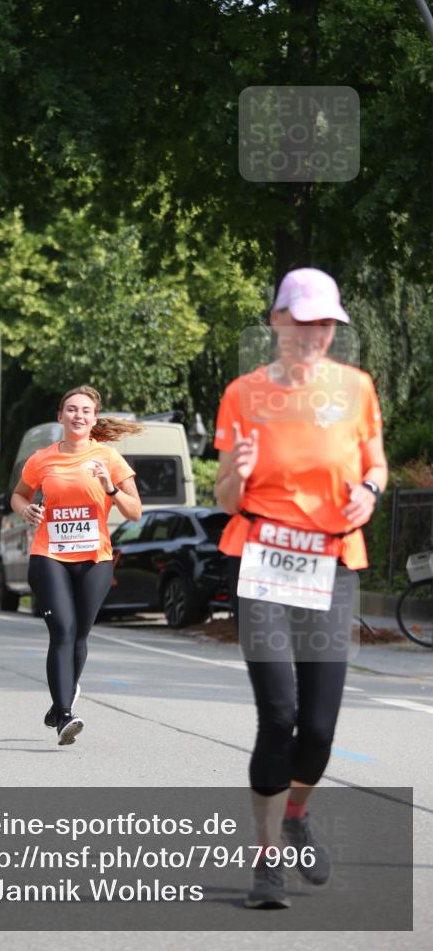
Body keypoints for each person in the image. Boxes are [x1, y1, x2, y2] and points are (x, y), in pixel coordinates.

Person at [214, 268, 387, 908]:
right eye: (302, 320)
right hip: (262, 557)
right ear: (278, 320)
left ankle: (294, 813)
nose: (313, 334)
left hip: (333, 561)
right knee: (279, 713)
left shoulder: (356, 388)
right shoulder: (243, 393)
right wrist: (236, 473)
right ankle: (265, 865)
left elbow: (374, 459)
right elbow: (225, 496)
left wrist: (369, 491)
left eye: (325, 324)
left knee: (317, 727)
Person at [11, 386, 142, 745]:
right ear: (60, 417)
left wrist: (110, 488)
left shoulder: (110, 458)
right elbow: (18, 495)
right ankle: (65, 715)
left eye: (85, 410)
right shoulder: (41, 459)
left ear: (94, 418)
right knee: (63, 631)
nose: (78, 415)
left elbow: (135, 510)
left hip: (95, 559)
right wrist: (26, 509)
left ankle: (59, 701)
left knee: (81, 635)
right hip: (49, 554)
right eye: (71, 409)